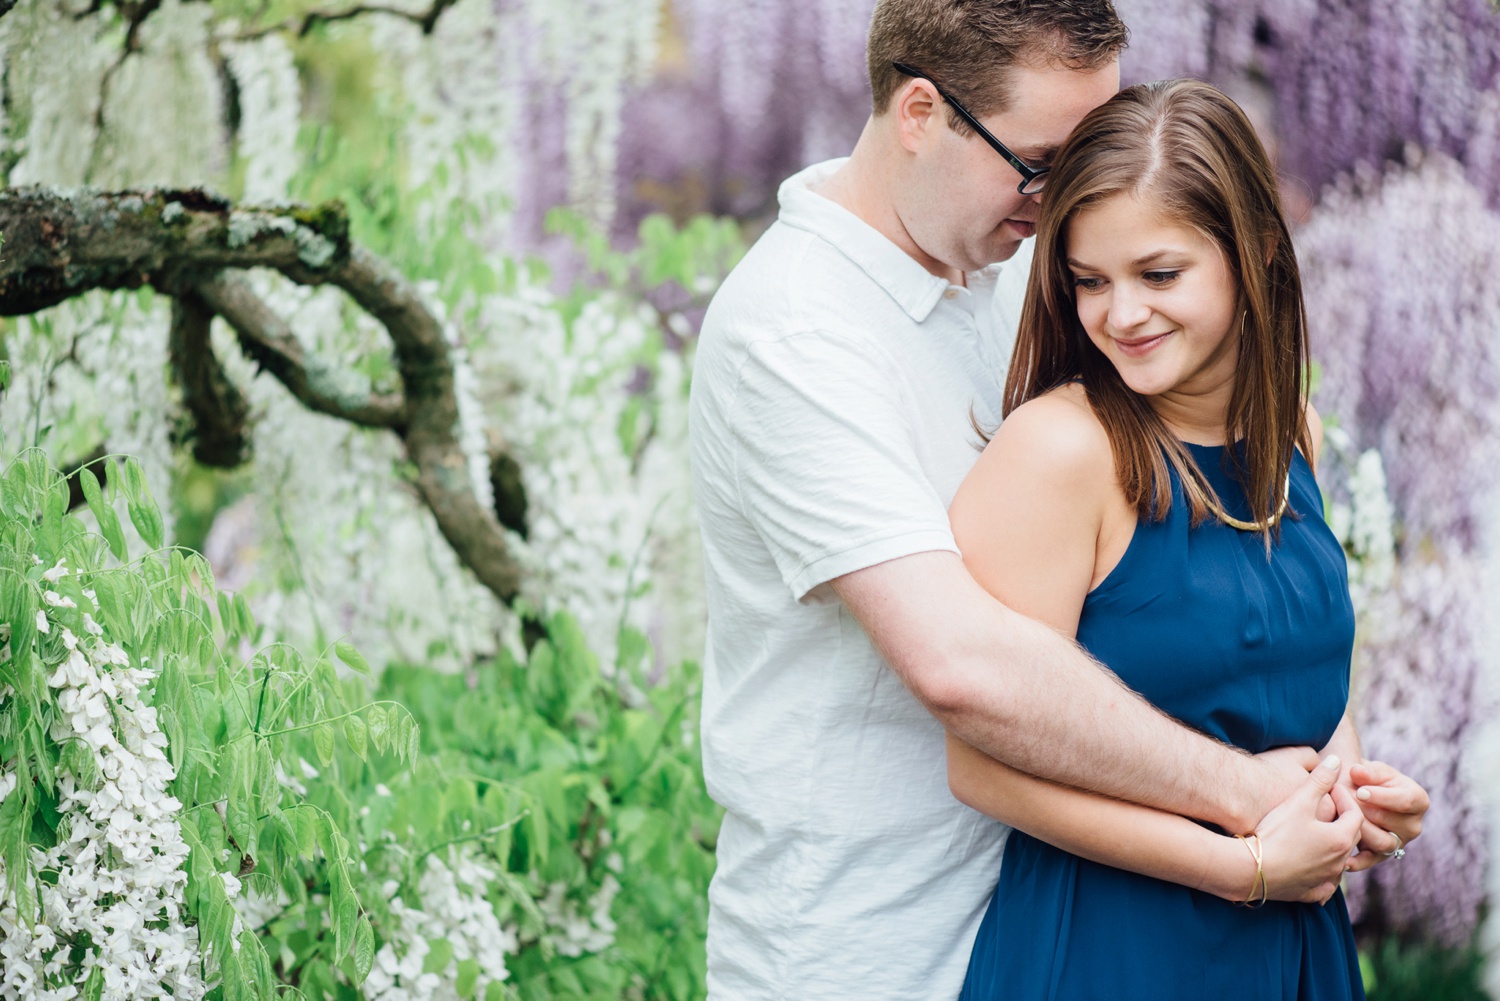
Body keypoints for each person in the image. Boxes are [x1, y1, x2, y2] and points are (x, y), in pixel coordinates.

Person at [689, 2, 1415, 997]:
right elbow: (964, 665)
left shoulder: (1011, 269)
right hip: (869, 948)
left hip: (1057, 910)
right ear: (919, 113)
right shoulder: (798, 331)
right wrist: (1247, 802)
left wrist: (1333, 789)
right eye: (1041, 161)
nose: (1060, 199)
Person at [948, 79, 1429, 999]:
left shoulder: (1294, 433)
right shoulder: (1062, 451)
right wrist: (1245, 866)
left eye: (1158, 275)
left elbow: (1294, 692)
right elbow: (981, 766)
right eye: (1089, 281)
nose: (1120, 314)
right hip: (1114, 948)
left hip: (1295, 944)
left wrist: (1353, 793)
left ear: (1250, 258)